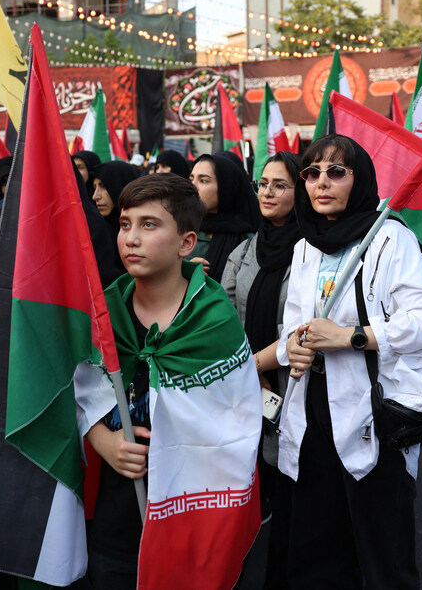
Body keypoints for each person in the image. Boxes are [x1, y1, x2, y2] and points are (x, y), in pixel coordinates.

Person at [275, 135, 422, 589]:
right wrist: (294, 346)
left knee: (382, 553)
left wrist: (353, 337)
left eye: (337, 172)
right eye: (311, 173)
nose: (321, 183)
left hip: (372, 415)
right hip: (311, 412)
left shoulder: (388, 238)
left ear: (361, 180)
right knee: (317, 551)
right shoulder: (303, 247)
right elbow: (295, 327)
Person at [79, 173, 262, 589]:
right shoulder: (104, 315)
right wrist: (102, 440)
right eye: (125, 224)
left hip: (194, 516)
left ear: (186, 243)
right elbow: (78, 390)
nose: (131, 238)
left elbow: (238, 423)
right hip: (116, 518)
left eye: (149, 225)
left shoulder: (213, 320)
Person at [220, 151, 302, 584]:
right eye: (262, 184)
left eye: (280, 185)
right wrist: (245, 365)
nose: (267, 192)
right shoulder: (246, 248)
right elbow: (227, 311)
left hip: (297, 377)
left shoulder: (313, 249)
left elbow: (307, 323)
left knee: (290, 474)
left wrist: (264, 364)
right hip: (246, 376)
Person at [188, 153, 260, 281]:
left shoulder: (248, 241)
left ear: (225, 187)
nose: (193, 186)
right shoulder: (181, 232)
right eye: (191, 179)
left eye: (203, 180)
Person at [91, 161, 138, 276]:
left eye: (103, 186)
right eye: (94, 187)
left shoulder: (146, 231)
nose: (95, 196)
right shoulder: (96, 231)